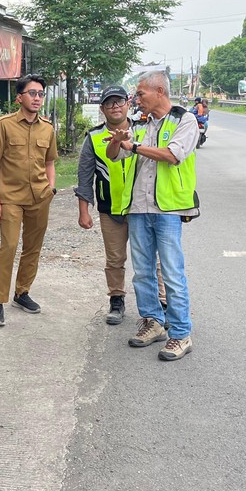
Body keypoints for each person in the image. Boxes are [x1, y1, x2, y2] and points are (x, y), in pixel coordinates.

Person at [106, 70, 199, 361]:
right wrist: (118, 141)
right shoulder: (142, 124)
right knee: (143, 272)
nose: (136, 99)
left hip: (168, 209)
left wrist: (132, 145)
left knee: (171, 272)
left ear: (160, 91)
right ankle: (153, 321)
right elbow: (115, 155)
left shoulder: (185, 120)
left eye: (141, 93)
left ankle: (181, 334)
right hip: (139, 208)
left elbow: (173, 155)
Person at [75, 86, 165, 326]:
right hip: (111, 209)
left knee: (151, 259)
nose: (115, 106)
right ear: (102, 109)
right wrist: (84, 211)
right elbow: (85, 178)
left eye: (119, 101)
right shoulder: (93, 137)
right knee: (115, 259)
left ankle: (162, 302)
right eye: (109, 103)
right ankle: (117, 299)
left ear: (128, 103)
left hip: (142, 208)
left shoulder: (145, 131)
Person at [0, 74, 57, 326]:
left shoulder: (47, 128)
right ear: (19, 97)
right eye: (32, 93)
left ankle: (22, 292)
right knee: (9, 246)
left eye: (40, 94)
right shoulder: (4, 125)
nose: (37, 98)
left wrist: (51, 188)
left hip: (40, 197)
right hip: (10, 198)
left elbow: (49, 162)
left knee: (32, 247)